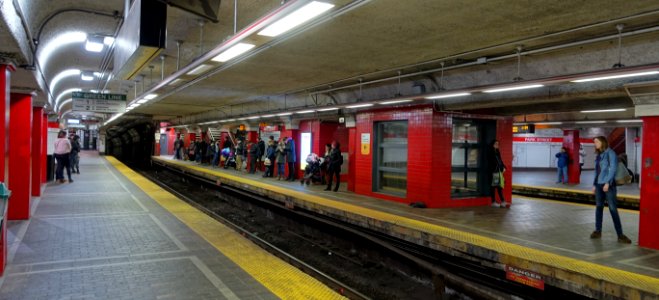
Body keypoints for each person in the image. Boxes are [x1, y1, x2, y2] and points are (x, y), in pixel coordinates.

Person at [591, 136, 632, 244]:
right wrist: (594, 184)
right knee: (599, 207)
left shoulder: (611, 153)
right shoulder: (599, 155)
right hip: (599, 185)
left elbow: (612, 169)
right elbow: (597, 171)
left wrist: (607, 183)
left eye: (596, 141)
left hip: (608, 185)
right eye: (594, 142)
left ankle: (620, 235)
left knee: (613, 209)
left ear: (602, 142)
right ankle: (598, 231)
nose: (595, 143)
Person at [487, 140, 507, 208]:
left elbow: (500, 160)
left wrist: (504, 167)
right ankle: (495, 202)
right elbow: (493, 162)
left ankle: (502, 201)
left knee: (499, 186)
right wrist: (500, 167)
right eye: (495, 144)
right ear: (492, 144)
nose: (497, 145)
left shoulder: (497, 152)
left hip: (498, 172)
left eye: (498, 144)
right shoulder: (490, 152)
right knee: (494, 186)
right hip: (494, 172)